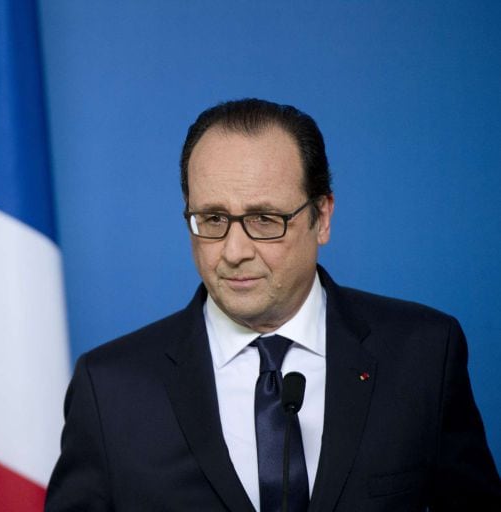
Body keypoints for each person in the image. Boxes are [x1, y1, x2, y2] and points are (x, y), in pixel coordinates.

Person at [44, 98, 501, 511]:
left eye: (265, 220)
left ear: (321, 218)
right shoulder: (109, 389)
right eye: (214, 219)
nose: (234, 250)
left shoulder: (423, 355)